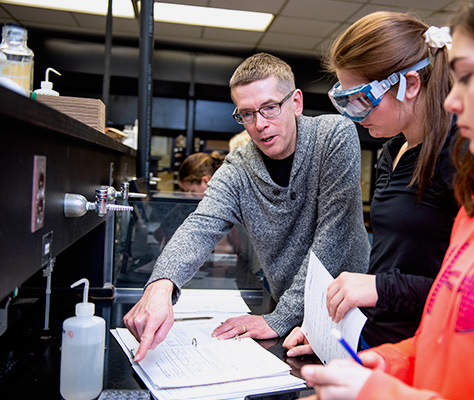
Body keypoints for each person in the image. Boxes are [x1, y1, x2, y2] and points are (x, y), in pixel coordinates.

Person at [300, 0, 474, 398]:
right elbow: (451, 330)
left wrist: (386, 392)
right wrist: (395, 364)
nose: (450, 102)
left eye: (468, 76)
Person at [123, 52, 370, 362]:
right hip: (288, 320)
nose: (260, 125)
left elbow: (333, 238)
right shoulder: (239, 167)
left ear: (296, 102)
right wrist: (161, 285)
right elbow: (200, 226)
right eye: (247, 114)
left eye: (269, 108)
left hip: (353, 316)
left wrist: (279, 318)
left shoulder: (333, 136)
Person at [284, 11, 459, 356]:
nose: (353, 114)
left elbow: (470, 293)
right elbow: (391, 262)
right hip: (372, 342)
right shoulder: (392, 148)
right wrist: (334, 331)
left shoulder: (457, 155)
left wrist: (380, 287)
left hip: (423, 352)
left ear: (410, 84)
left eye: (362, 99)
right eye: (344, 99)